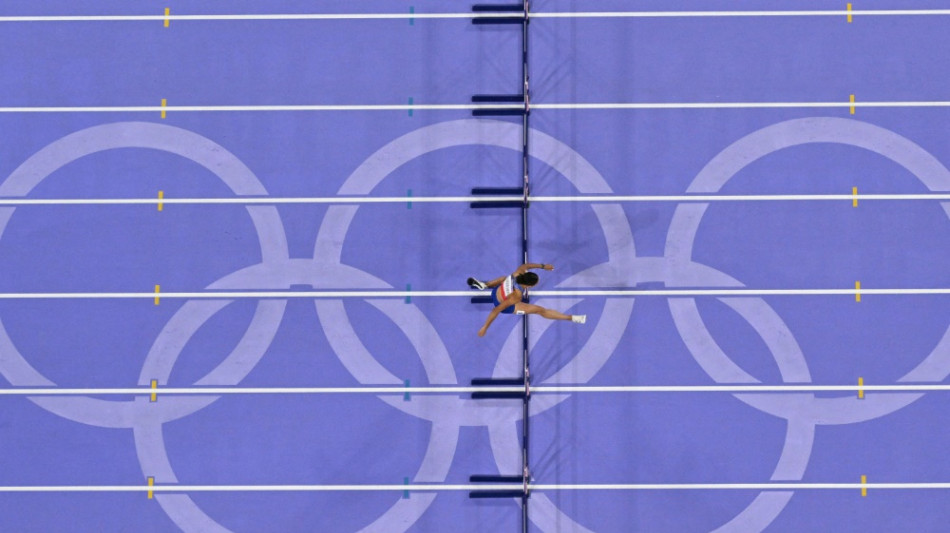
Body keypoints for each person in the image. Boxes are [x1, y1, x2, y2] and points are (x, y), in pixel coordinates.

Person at [468, 263, 586, 337]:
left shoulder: (518, 272)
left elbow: (527, 265)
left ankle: (486, 285)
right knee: (540, 310)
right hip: (503, 303)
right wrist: (485, 327)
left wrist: (543, 266)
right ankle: (571, 318)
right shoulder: (517, 296)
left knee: (504, 278)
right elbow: (496, 310)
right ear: (528, 286)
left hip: (496, 291)